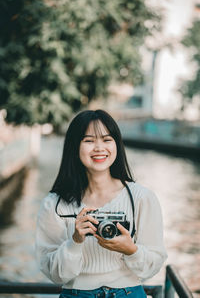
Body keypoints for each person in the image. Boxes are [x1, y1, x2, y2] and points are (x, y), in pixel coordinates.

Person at [36, 109, 167, 298]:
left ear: (117, 145)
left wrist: (131, 250)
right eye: (89, 140)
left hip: (129, 293)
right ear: (74, 146)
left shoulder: (141, 198)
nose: (99, 148)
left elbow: (152, 265)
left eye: (107, 140)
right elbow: (55, 275)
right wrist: (75, 241)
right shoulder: (53, 205)